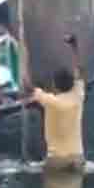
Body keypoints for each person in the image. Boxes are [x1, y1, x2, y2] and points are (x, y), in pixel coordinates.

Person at [29, 34, 85, 170]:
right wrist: (75, 47)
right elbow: (80, 70)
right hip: (77, 158)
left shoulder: (50, 101)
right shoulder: (78, 95)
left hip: (56, 161)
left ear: (54, 85)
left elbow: (28, 87)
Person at [0, 22, 21, 96]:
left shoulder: (10, 40)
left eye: (0, 27)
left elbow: (17, 52)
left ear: (5, 27)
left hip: (7, 68)